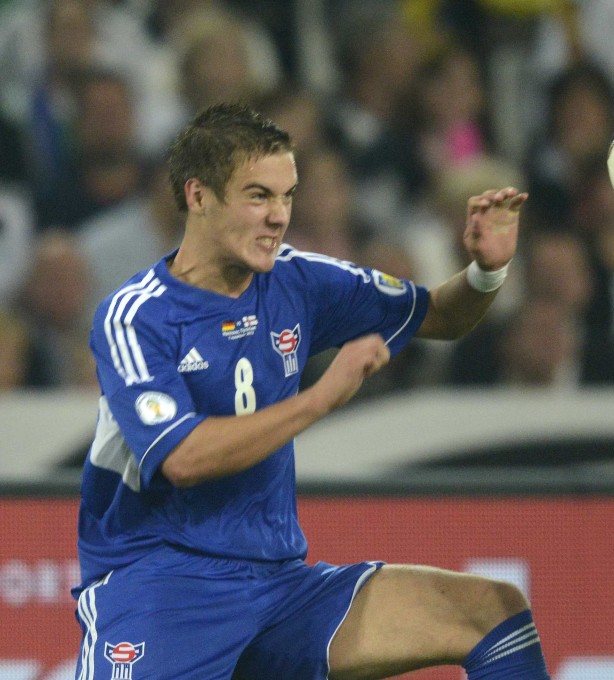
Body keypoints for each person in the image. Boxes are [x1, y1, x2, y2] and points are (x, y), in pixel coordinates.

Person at [73, 102, 550, 680]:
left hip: (280, 587)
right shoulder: (136, 317)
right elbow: (185, 458)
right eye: (257, 196)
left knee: (492, 611)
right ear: (198, 196)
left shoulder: (298, 280)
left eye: (287, 196)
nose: (278, 216)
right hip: (162, 587)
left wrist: (484, 274)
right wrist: (322, 397)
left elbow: (440, 317)